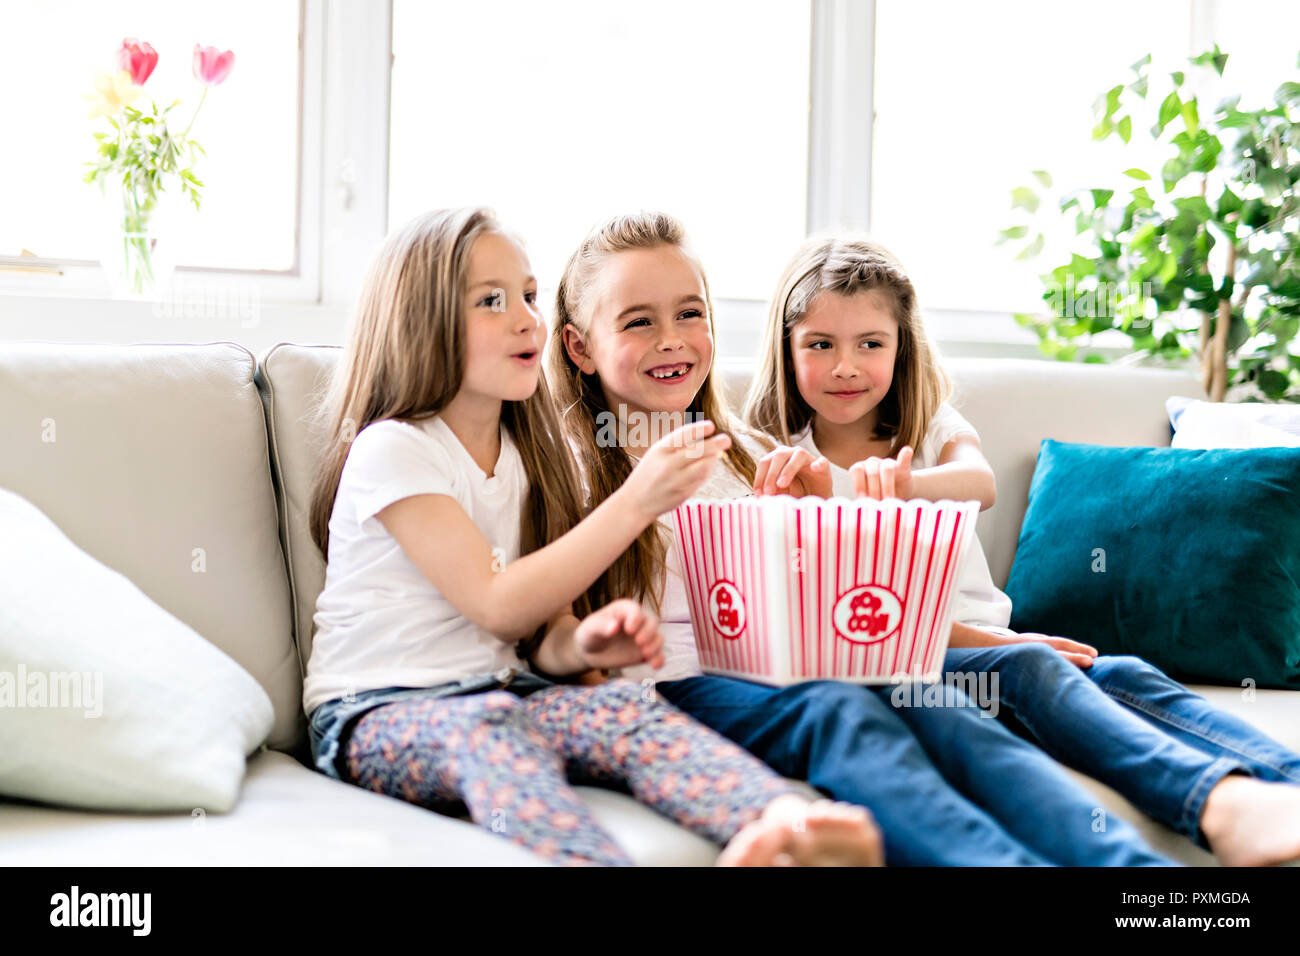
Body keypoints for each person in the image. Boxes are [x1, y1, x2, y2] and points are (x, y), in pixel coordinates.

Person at [548, 209, 1173, 866]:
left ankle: (1128, 868)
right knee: (841, 707)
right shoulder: (567, 465)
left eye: (690, 313)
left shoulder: (744, 454)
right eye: (639, 321)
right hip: (682, 683)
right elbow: (551, 627)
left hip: (781, 667)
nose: (672, 339)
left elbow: (822, 604)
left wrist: (997, 639)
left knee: (922, 696)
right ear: (580, 347)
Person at [300, 207, 883, 868]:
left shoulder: (529, 455)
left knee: (627, 712)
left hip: (503, 690)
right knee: (491, 735)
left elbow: (539, 634)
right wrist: (637, 501)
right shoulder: (395, 450)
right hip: (375, 710)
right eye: (492, 301)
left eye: (526, 294)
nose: (526, 317)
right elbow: (495, 602)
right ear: (420, 324)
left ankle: (782, 824)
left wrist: (583, 643)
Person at [747, 233, 1300, 867]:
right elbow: (839, 621)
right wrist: (1013, 646)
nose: (846, 365)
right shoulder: (782, 461)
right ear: (787, 352)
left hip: (992, 644)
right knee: (1032, 670)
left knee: (1125, 675)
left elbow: (977, 484)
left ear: (901, 350)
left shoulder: (929, 431)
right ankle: (1204, 810)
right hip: (925, 661)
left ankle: (1281, 788)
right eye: (820, 345)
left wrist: (904, 485)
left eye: (870, 343)